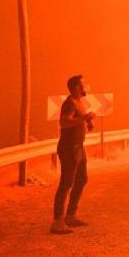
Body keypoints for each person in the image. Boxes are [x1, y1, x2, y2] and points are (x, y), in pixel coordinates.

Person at [51, 74, 95, 235]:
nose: (87, 86)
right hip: (69, 148)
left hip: (78, 147)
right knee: (66, 183)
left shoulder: (80, 102)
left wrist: (87, 123)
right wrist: (84, 117)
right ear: (77, 87)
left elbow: (78, 121)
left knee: (82, 179)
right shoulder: (69, 103)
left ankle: (70, 216)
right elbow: (64, 122)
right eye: (84, 84)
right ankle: (57, 221)